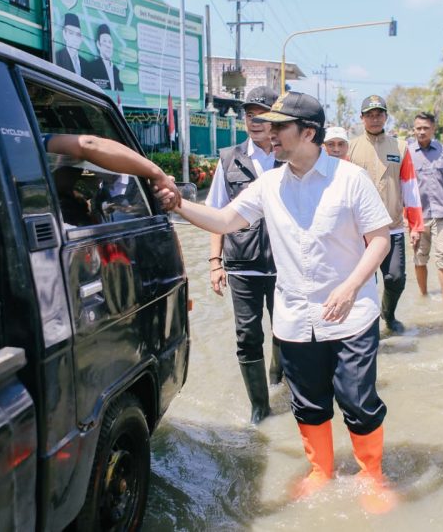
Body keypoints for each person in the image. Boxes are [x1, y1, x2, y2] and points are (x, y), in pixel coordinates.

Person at [157, 92, 396, 513]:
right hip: (295, 316)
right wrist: (180, 205)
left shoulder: (349, 179)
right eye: (267, 125)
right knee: (307, 402)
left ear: (308, 133)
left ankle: (372, 475)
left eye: (279, 127)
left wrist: (350, 286)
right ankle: (321, 469)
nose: (269, 133)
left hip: (351, 314)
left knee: (358, 400)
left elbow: (379, 240)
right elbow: (227, 220)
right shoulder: (268, 183)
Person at [205, 86, 282, 425]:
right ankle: (260, 407)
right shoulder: (229, 158)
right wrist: (214, 263)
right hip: (242, 265)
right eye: (249, 115)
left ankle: (279, 374)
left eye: (261, 115)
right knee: (247, 336)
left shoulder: (290, 156)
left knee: (286, 330)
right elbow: (216, 213)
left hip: (286, 265)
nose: (254, 121)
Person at [348, 95, 423, 334]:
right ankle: (366, 328)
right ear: (361, 118)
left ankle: (388, 315)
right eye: (369, 114)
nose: (374, 119)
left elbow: (410, 187)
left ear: (386, 117)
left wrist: (416, 226)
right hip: (359, 230)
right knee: (365, 281)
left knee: (395, 278)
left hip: (393, 228)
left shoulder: (400, 147)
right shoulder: (350, 147)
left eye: (379, 114)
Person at [42, 134, 179, 208]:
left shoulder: (139, 186)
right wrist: (158, 174)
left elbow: (87, 145)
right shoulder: (92, 191)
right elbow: (87, 145)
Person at [410, 113, 443, 303]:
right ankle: (424, 296)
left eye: (425, 128)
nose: (422, 131)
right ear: (414, 129)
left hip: (441, 214)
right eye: (418, 128)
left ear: (433, 129)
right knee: (420, 257)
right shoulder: (406, 152)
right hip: (417, 216)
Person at [83, 24, 123, 91]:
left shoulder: (116, 70)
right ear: (98, 44)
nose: (108, 45)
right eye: (104, 41)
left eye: (110, 42)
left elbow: (122, 93)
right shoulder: (91, 67)